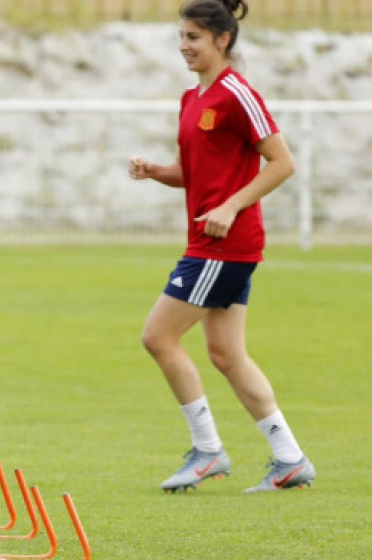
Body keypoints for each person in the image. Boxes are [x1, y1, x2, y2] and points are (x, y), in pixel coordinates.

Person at [128, 0, 315, 493]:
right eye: (181, 37)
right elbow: (193, 174)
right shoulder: (192, 99)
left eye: (193, 37)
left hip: (224, 245)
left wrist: (231, 207)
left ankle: (208, 451)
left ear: (222, 40)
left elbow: (281, 162)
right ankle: (289, 459)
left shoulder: (237, 93)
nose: (184, 46)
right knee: (227, 355)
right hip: (210, 242)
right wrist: (155, 172)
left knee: (158, 337)